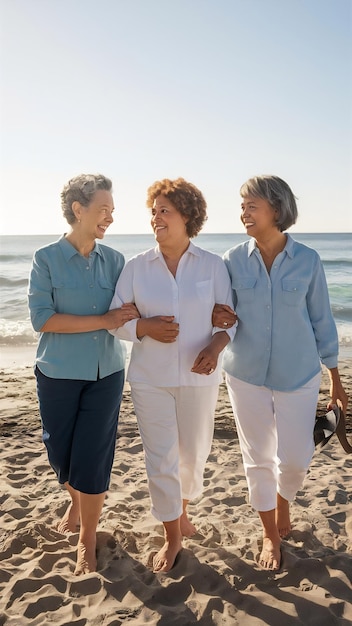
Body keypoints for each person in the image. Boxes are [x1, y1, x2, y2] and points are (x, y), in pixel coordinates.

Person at [213, 175, 348, 571]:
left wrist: (336, 378)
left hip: (299, 373)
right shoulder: (231, 260)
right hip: (245, 373)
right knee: (257, 457)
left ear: (276, 209)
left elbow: (322, 320)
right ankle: (270, 534)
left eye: (251, 206)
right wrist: (216, 317)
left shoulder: (308, 260)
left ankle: (283, 500)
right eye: (242, 207)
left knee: (294, 458)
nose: (243, 213)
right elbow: (222, 316)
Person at [109, 177, 236, 573]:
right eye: (154, 211)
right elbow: (117, 321)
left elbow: (229, 320)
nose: (156, 218)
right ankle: (172, 535)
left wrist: (216, 347)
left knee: (192, 455)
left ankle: (180, 509)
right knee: (160, 456)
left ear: (187, 216)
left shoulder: (213, 265)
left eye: (165, 210)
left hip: (200, 378)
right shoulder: (135, 267)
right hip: (150, 377)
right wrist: (144, 328)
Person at [28, 173, 139, 575]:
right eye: (103, 209)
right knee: (61, 456)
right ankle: (76, 503)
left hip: (107, 372)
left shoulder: (117, 261)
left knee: (93, 459)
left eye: (112, 210)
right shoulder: (46, 259)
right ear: (79, 209)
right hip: (57, 373)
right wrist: (104, 319)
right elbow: (43, 320)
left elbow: (133, 309)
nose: (110, 216)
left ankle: (86, 538)